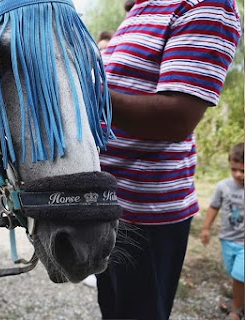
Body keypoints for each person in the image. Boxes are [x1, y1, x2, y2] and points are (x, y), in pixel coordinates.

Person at [95, 1, 242, 320]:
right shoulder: (141, 10)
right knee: (112, 307)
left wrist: (78, 89)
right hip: (109, 203)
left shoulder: (206, 6)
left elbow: (175, 119)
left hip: (146, 216)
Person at [200, 143, 244, 320]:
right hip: (228, 239)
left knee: (240, 274)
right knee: (234, 272)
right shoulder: (223, 187)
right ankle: (240, 300)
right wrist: (205, 228)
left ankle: (236, 309)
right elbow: (213, 207)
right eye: (234, 170)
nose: (238, 174)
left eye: (243, 170)